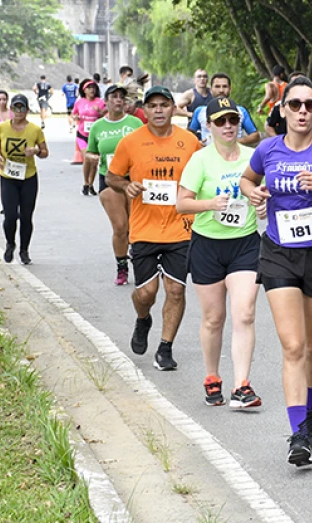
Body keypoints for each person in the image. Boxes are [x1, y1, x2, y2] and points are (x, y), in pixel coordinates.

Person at [239, 77, 312, 467]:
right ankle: (298, 435)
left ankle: (309, 408)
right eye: (295, 104)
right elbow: (247, 178)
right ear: (283, 110)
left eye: (309, 105)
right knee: (292, 346)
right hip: (279, 253)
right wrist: (253, 193)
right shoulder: (268, 149)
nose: (303, 111)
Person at [106, 86, 202, 370]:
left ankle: (165, 347)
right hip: (144, 229)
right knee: (146, 293)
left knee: (176, 290)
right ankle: (143, 318)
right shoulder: (131, 142)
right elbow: (112, 176)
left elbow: (204, 175)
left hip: (181, 228)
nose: (158, 110)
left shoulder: (190, 142)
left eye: (164, 105)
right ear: (145, 110)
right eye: (152, 105)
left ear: (173, 108)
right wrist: (126, 185)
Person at [177, 97, 263, 408]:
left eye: (233, 120)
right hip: (207, 245)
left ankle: (242, 385)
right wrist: (210, 204)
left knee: (245, 313)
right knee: (214, 318)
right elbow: (181, 204)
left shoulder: (254, 157)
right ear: (209, 126)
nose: (228, 126)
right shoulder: (200, 160)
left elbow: (265, 193)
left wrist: (263, 204)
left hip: (245, 243)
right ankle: (212, 376)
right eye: (221, 121)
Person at [85, 84, 144, 285]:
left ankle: (139, 261)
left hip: (133, 179)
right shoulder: (98, 126)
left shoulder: (135, 123)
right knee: (120, 226)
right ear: (106, 101)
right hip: (109, 179)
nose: (118, 100)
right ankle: (122, 267)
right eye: (114, 96)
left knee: (135, 226)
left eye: (121, 97)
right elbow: (90, 151)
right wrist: (92, 158)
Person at [0, 94, 48, 264]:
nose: (19, 111)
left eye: (22, 108)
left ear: (27, 110)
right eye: (15, 108)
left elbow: (45, 152)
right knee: (10, 216)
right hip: (8, 176)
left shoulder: (35, 130)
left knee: (26, 216)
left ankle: (24, 250)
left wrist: (36, 151)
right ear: (11, 110)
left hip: (28, 177)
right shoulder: (2, 127)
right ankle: (10, 243)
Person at [189, 73, 261, 146]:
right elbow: (188, 134)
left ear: (230, 89)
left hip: (233, 151)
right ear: (211, 89)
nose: (221, 90)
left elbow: (255, 136)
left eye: (225, 86)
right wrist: (198, 143)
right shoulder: (200, 111)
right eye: (217, 86)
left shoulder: (241, 111)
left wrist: (235, 142)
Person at [73, 79, 107, 196]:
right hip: (82, 134)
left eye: (94, 88)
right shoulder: (79, 102)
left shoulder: (100, 102)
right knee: (87, 158)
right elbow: (74, 113)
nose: (92, 90)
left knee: (94, 162)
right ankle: (85, 182)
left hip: (96, 136)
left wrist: (100, 112)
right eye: (89, 88)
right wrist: (76, 117)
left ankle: (91, 184)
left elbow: (106, 116)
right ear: (84, 90)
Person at [264, 71, 306, 137]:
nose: (298, 85)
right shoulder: (280, 105)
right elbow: (268, 125)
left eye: (302, 82)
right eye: (294, 83)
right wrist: (278, 140)